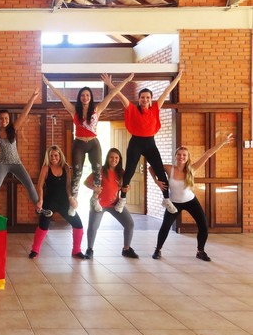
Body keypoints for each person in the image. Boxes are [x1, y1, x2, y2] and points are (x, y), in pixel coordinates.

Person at [43, 73, 133, 215]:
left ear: (91, 98)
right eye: (83, 95)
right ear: (80, 97)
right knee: (77, 173)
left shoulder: (97, 109)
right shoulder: (74, 111)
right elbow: (62, 97)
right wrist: (48, 83)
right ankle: (73, 202)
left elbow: (112, 94)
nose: (85, 97)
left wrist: (126, 80)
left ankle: (95, 198)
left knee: (98, 172)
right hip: (79, 143)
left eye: (87, 95)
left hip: (93, 144)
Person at [106, 71, 183, 214]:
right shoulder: (132, 109)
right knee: (129, 171)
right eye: (142, 97)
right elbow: (119, 95)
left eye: (147, 97)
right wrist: (111, 84)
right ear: (139, 99)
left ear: (151, 99)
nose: (145, 99)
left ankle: (166, 199)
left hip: (150, 143)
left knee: (160, 170)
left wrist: (177, 79)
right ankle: (122, 199)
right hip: (136, 142)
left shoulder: (155, 109)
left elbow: (166, 91)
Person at [150, 133, 234, 262]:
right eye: (179, 154)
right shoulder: (169, 168)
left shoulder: (192, 169)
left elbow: (208, 154)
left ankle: (200, 251)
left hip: (190, 201)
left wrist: (222, 143)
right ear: (175, 156)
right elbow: (151, 167)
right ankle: (158, 250)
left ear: (187, 157)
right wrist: (156, 181)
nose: (181, 157)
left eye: (184, 155)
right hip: (173, 203)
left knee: (203, 226)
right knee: (165, 226)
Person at [0, 86, 50, 217]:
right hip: (2, 164)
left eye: (6, 118)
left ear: (8, 119)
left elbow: (24, 113)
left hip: (16, 163)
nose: (4, 120)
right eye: (1, 118)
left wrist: (32, 97)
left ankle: (39, 208)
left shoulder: (13, 129)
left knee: (29, 184)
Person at [30, 145, 88, 259]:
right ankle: (35, 250)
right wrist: (40, 200)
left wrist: (71, 198)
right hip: (49, 202)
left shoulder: (66, 167)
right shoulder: (46, 168)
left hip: (64, 202)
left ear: (60, 156)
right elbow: (40, 185)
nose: (53, 158)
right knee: (43, 226)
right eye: (51, 156)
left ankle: (76, 250)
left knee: (78, 224)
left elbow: (68, 186)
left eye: (56, 155)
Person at [83, 148, 138, 259]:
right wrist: (94, 188)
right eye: (111, 157)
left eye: (116, 158)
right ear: (107, 158)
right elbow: (86, 182)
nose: (114, 160)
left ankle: (126, 249)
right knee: (93, 226)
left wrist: (128, 188)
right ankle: (89, 249)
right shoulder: (101, 170)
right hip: (99, 204)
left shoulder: (121, 172)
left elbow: (126, 186)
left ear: (119, 159)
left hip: (114, 204)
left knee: (129, 224)